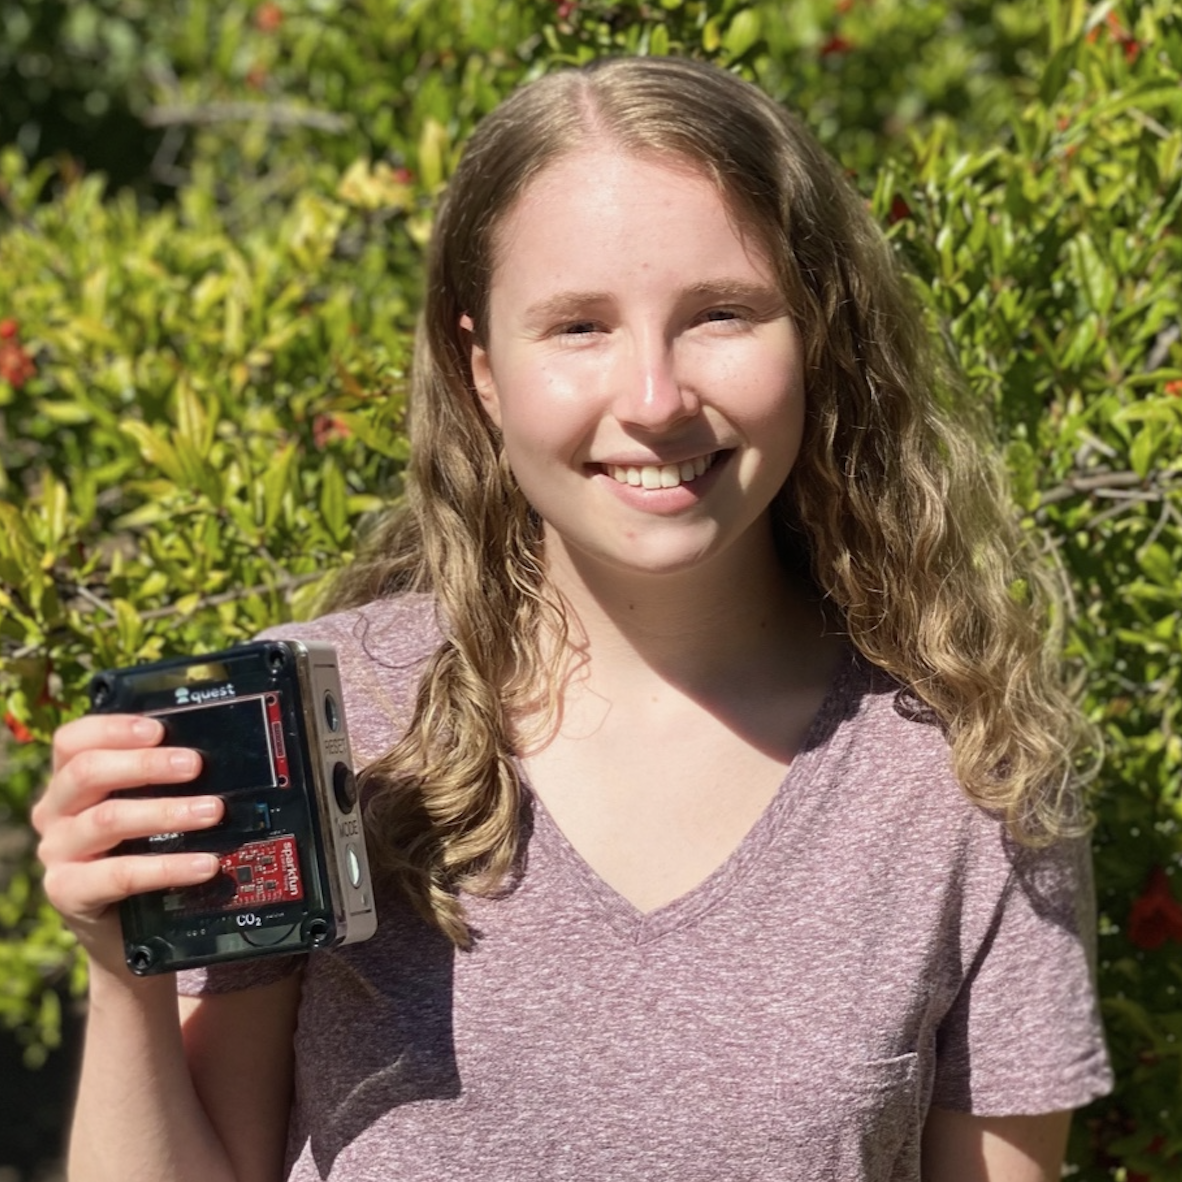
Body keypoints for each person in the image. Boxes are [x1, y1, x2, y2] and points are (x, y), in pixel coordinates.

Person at [33, 56, 1111, 1182]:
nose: (652, 399)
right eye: (579, 327)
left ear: (817, 338)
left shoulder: (969, 773)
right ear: (482, 370)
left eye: (722, 314)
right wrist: (126, 977)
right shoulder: (310, 722)